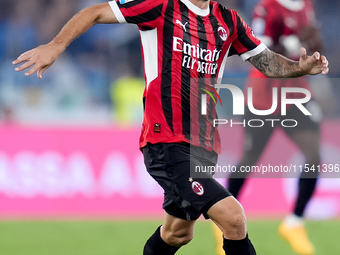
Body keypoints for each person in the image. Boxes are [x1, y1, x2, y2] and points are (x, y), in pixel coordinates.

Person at [12, 0, 328, 254]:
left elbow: (266, 63)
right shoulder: (161, 7)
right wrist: (55, 45)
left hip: (204, 145)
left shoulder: (228, 21)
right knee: (233, 219)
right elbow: (95, 12)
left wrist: (298, 68)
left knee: (177, 233)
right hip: (167, 141)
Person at [212, 0, 324, 255]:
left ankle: (294, 223)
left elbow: (312, 41)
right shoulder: (268, 6)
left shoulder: (305, 5)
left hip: (297, 94)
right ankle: (224, 223)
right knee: (249, 160)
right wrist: (293, 44)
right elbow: (257, 50)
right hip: (264, 96)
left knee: (314, 155)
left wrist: (315, 50)